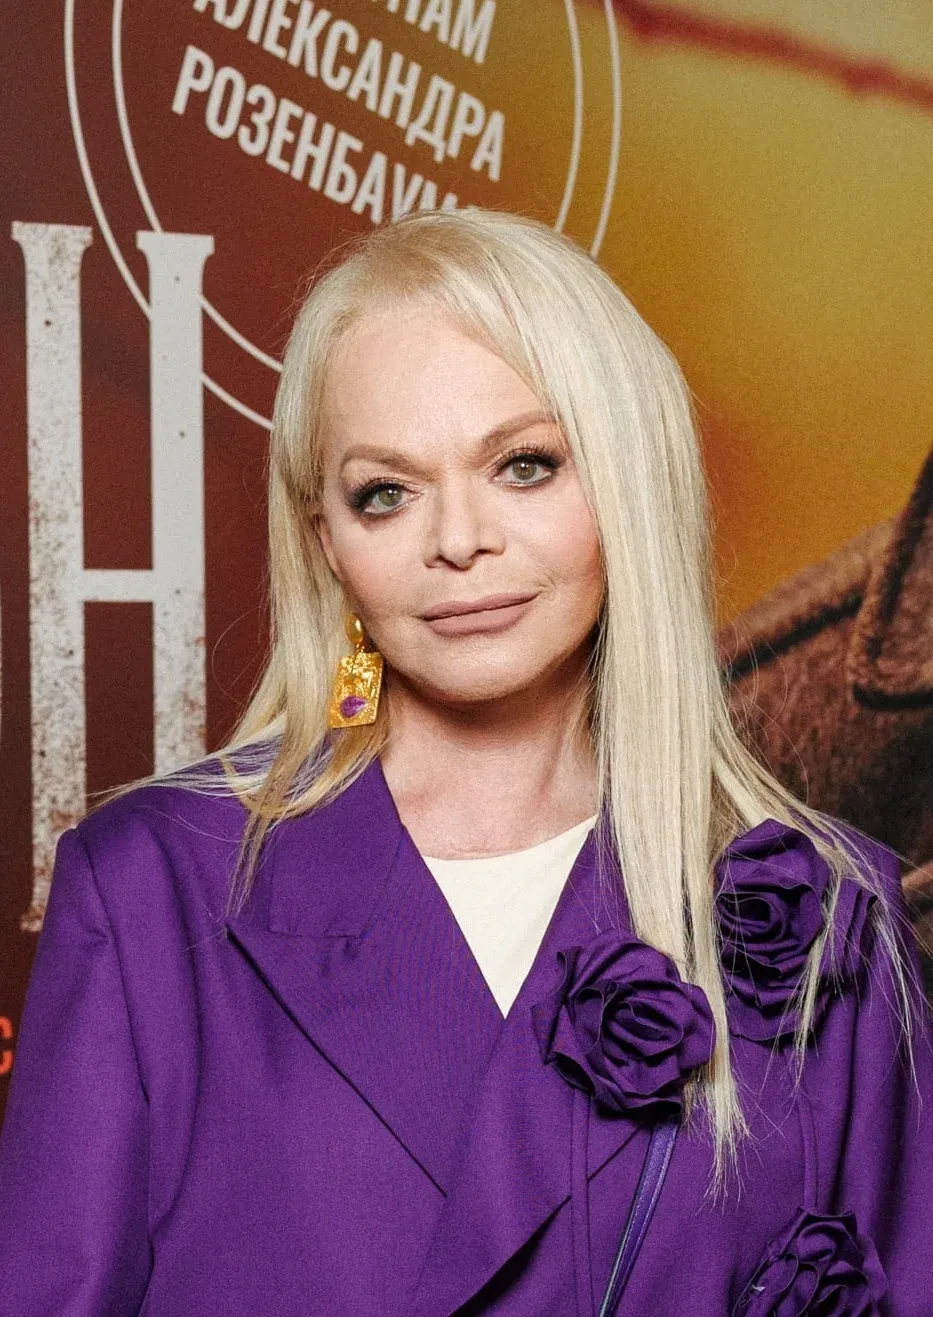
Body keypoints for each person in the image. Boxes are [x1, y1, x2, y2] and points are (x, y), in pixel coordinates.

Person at [0, 206, 930, 1317]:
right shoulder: (150, 890)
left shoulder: (827, 917)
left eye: (524, 466)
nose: (457, 540)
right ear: (327, 543)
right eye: (385, 492)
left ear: (630, 483)